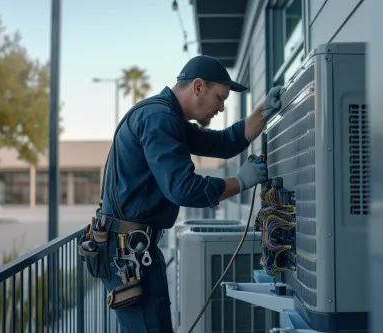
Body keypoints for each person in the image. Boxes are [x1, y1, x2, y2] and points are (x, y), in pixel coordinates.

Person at [98, 55, 283, 333]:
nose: (221, 108)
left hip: (134, 247)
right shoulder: (159, 118)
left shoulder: (166, 116)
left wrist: (263, 112)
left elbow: (222, 143)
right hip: (127, 252)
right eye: (220, 97)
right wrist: (240, 182)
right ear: (198, 87)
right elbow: (183, 189)